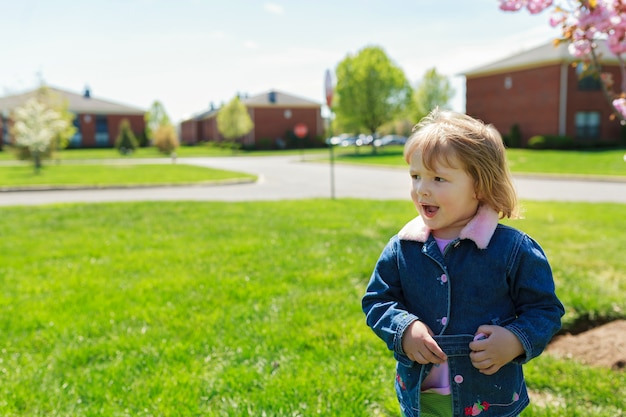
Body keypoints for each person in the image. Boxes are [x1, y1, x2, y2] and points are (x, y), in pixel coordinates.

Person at [362, 109, 564, 417]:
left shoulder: (512, 250)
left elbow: (544, 310)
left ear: (480, 186)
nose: (422, 189)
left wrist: (515, 340)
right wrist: (404, 329)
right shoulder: (403, 247)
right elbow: (378, 300)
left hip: (489, 398)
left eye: (438, 178)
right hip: (425, 391)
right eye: (415, 176)